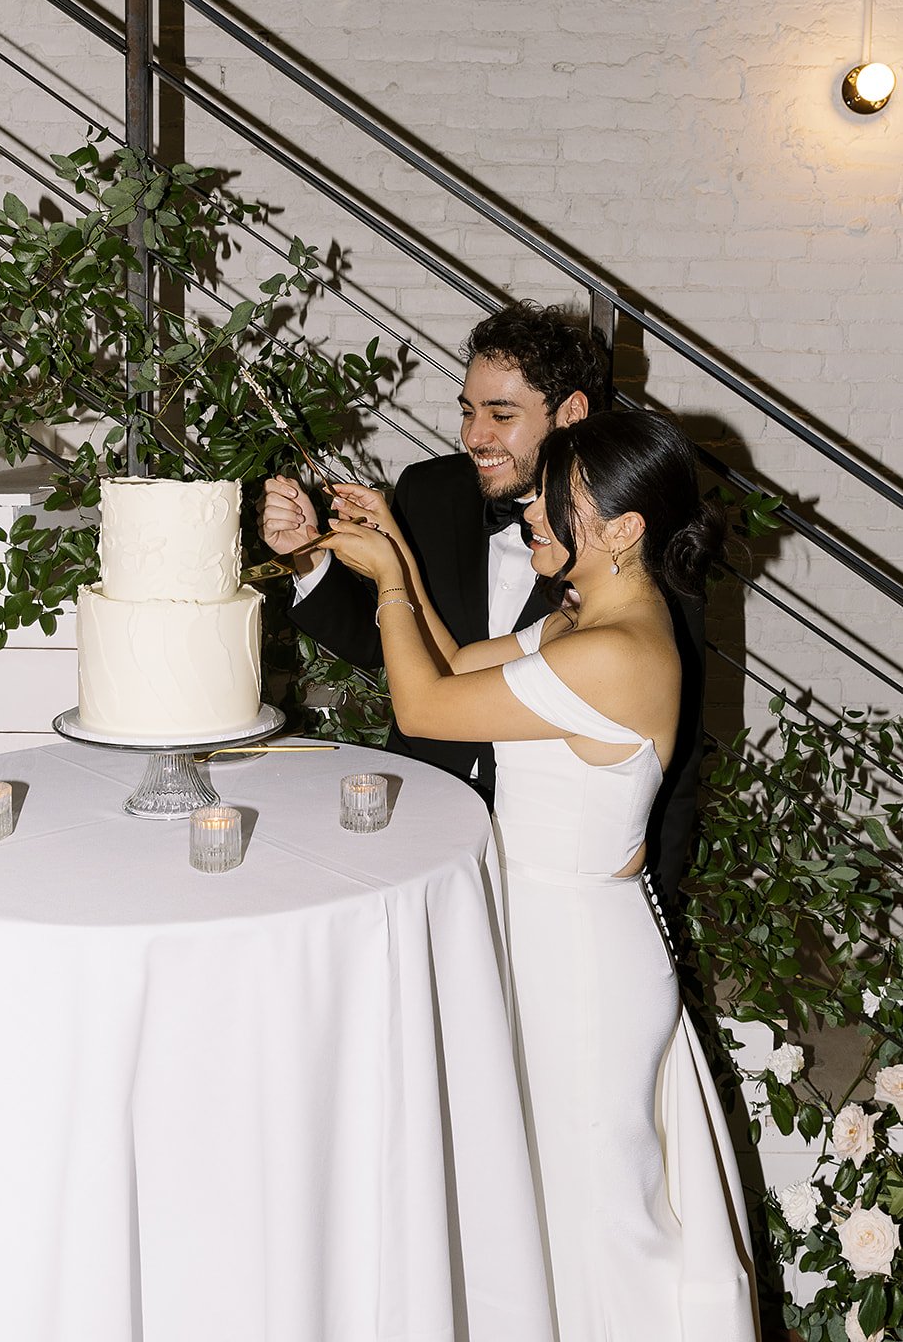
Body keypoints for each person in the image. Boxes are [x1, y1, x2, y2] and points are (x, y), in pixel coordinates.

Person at [318, 410, 760, 1342]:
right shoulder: (583, 616)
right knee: (546, 1199)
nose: (533, 514)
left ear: (624, 527)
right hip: (545, 935)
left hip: (581, 962)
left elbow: (425, 706)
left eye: (557, 503)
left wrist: (394, 582)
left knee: (598, 1211)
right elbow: (453, 664)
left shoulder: (613, 651)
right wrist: (396, 547)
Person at [259, 303, 705, 901]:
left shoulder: (642, 588)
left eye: (501, 414)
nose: (474, 436)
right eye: (468, 411)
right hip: (428, 814)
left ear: (571, 412)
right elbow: (430, 658)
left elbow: (669, 774)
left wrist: (658, 897)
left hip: (567, 890)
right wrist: (320, 557)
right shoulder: (556, 607)